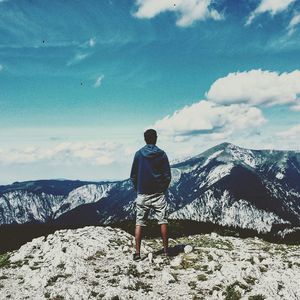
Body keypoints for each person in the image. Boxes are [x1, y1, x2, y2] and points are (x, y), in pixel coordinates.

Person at [130, 129, 171, 261]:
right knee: (163, 221)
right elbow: (167, 176)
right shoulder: (162, 154)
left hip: (143, 193)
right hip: (158, 193)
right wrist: (162, 188)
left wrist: (138, 188)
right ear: (156, 138)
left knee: (139, 223)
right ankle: (165, 251)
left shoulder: (138, 154)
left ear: (145, 139)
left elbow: (133, 175)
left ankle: (137, 253)